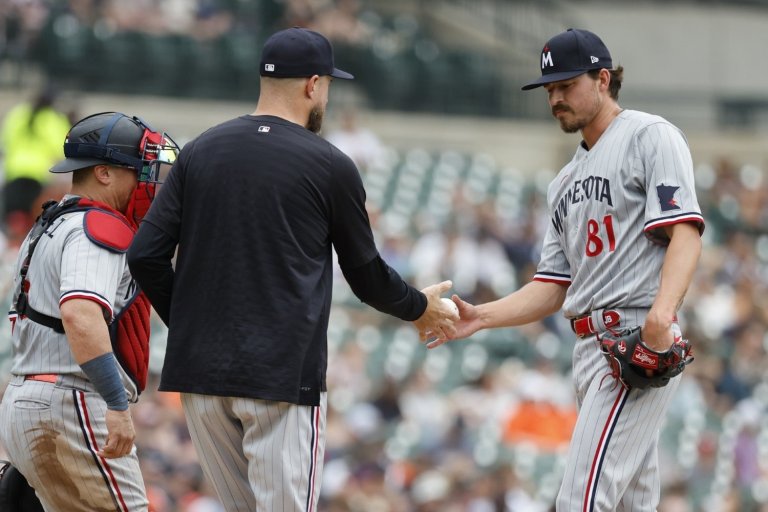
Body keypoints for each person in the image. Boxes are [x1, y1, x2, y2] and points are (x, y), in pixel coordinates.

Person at [127, 27, 458, 512]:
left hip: (200, 378)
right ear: (313, 85)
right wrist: (420, 308)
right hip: (280, 379)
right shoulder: (329, 163)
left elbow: (144, 255)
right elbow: (366, 276)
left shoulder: (199, 150)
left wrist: (194, 326)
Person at [430, 28, 705, 511]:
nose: (555, 97)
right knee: (629, 503)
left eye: (566, 85)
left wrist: (662, 317)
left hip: (633, 337)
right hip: (589, 349)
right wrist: (483, 317)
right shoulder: (564, 181)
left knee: (582, 498)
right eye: (549, 89)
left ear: (603, 79)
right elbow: (552, 285)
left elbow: (685, 230)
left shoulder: (649, 136)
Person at [0, 111, 179, 511]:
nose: (149, 181)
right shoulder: (96, 227)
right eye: (141, 169)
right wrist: (116, 403)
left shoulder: (50, 222)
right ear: (103, 172)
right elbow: (81, 315)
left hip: (31, 395)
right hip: (73, 399)